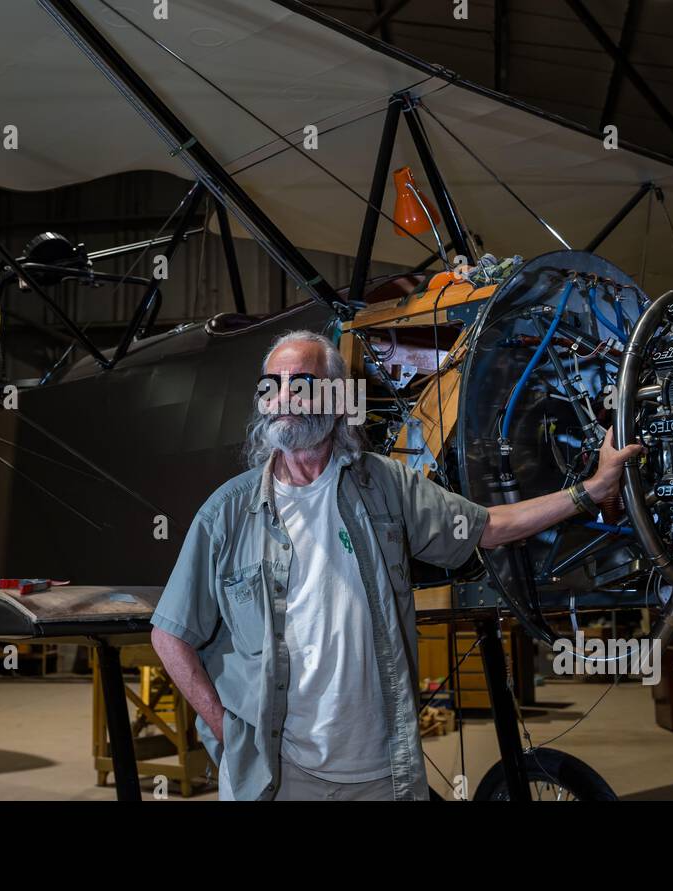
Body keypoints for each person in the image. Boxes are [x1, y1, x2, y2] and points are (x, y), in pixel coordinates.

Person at [150, 330, 642, 800]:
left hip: (380, 770)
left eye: (299, 383)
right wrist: (228, 732)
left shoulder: (384, 485)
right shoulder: (227, 513)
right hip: (276, 775)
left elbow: (486, 527)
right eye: (270, 385)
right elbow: (169, 635)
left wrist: (591, 491)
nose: (282, 396)